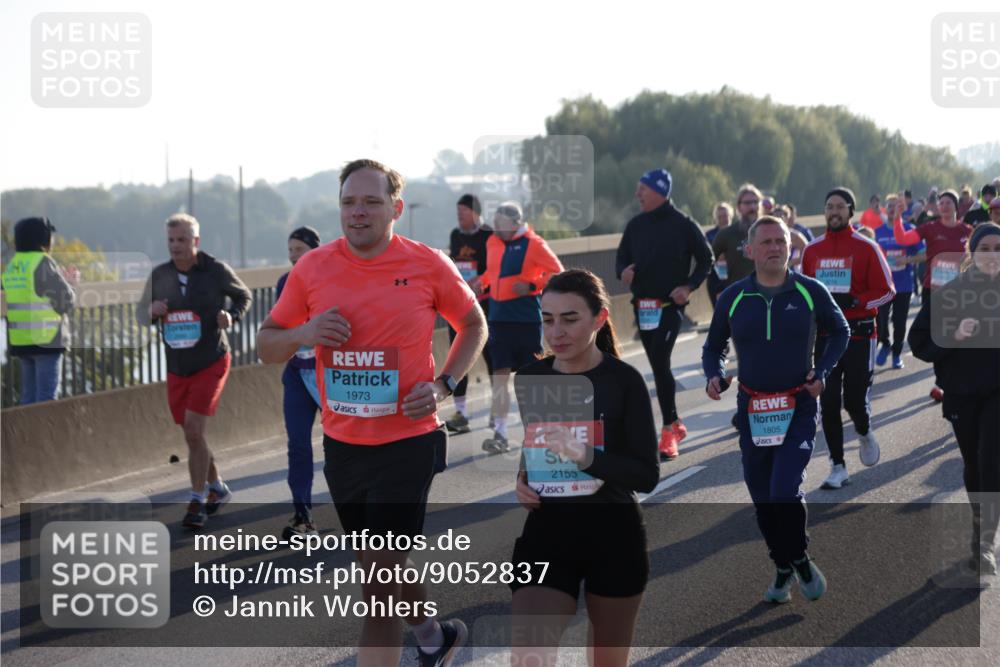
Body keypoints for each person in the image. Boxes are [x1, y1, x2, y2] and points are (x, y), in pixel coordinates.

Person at [257, 159, 487, 666]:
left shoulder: (427, 264)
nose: (357, 213)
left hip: (409, 441)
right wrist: (303, 333)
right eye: (348, 202)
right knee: (379, 564)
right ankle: (433, 636)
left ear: (396, 209)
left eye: (371, 202)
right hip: (343, 448)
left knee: (377, 587)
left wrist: (444, 383)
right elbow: (266, 345)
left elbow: (473, 323)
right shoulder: (313, 267)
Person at [511, 269, 658, 667]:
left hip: (614, 536)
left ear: (600, 319)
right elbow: (536, 451)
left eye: (569, 319)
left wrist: (585, 455)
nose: (555, 331)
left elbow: (646, 475)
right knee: (529, 657)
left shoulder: (624, 381)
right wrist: (522, 481)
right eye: (547, 319)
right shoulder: (529, 378)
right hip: (547, 534)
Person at [703, 216, 849, 603]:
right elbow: (713, 345)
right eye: (765, 242)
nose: (774, 248)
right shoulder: (733, 297)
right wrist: (713, 375)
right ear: (749, 251)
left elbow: (840, 331)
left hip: (798, 404)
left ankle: (798, 558)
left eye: (780, 242)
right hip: (752, 406)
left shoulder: (810, 291)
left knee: (785, 488)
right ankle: (783, 566)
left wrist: (823, 371)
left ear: (791, 247)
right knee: (762, 495)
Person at [137, 214, 251, 529]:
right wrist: (151, 311)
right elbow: (140, 313)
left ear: (195, 241)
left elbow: (244, 295)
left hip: (212, 360)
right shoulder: (160, 274)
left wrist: (231, 315)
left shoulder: (214, 270)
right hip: (177, 366)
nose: (176, 246)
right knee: (193, 435)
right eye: (171, 240)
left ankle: (197, 502)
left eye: (182, 240)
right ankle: (218, 487)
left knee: (194, 431)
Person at [908, 223, 1000, 576]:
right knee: (974, 467)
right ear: (972, 253)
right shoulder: (949, 294)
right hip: (962, 394)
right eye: (986, 248)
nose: (992, 255)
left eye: (998, 248)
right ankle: (981, 532)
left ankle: (985, 545)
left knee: (990, 462)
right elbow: (919, 342)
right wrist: (954, 336)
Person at [615, 168, 713, 459]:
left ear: (659, 191)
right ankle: (676, 423)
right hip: (642, 308)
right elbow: (621, 258)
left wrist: (689, 286)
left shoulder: (682, 224)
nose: (637, 195)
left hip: (670, 307)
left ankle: (669, 429)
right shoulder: (636, 225)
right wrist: (624, 271)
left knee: (659, 362)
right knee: (657, 365)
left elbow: (706, 258)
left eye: (642, 189)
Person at [801, 187, 895, 490]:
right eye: (829, 207)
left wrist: (858, 302)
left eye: (840, 207)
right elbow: (804, 294)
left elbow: (887, 291)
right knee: (827, 402)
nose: (834, 212)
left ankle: (864, 430)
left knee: (854, 400)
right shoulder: (811, 251)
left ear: (850, 212)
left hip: (859, 334)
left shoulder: (866, 247)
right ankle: (837, 466)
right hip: (827, 337)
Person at [479, 202, 564, 455]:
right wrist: (479, 284)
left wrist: (531, 286)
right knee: (499, 377)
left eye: (500, 223)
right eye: (494, 222)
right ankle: (501, 433)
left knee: (531, 380)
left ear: (515, 223)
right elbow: (492, 273)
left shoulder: (534, 243)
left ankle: (539, 432)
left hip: (526, 320)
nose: (495, 227)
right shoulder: (492, 242)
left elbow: (557, 273)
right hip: (498, 320)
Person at [893, 189, 973, 402]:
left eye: (948, 202)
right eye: (941, 202)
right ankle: (942, 381)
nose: (944, 206)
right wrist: (898, 217)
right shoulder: (930, 228)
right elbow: (902, 238)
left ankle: (953, 379)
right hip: (934, 291)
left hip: (960, 293)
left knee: (960, 335)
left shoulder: (968, 230)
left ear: (956, 207)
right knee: (940, 336)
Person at [276, 226, 323, 538]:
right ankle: (302, 516)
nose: (293, 256)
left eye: (299, 249)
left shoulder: (331, 280)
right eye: (290, 250)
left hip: (329, 372)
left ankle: (360, 512)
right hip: (296, 373)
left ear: (314, 251)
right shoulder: (284, 283)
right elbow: (277, 326)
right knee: (298, 445)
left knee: (342, 445)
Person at [2, 217, 76, 405]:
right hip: (46, 339)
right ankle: (43, 435)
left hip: (21, 340)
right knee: (46, 398)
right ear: (43, 239)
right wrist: (71, 284)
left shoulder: (13, 265)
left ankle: (27, 435)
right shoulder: (42, 262)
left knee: (28, 396)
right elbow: (65, 301)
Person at [443, 193, 494, 435]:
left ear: (474, 212)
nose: (459, 217)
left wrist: (480, 280)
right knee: (458, 356)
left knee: (493, 357)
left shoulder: (488, 235)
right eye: (457, 213)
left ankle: (498, 408)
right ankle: (461, 413)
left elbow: (496, 267)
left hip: (486, 305)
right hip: (460, 305)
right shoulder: (455, 235)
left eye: (462, 212)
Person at [874, 196, 924, 369]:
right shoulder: (877, 232)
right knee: (880, 321)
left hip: (903, 285)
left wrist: (907, 259)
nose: (891, 210)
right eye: (889, 206)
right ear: (884, 209)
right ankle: (885, 344)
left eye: (895, 207)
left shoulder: (909, 230)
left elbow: (924, 254)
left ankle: (896, 353)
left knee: (900, 322)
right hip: (883, 285)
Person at [713, 184, 763, 293]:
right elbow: (709, 263)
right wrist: (719, 290)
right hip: (738, 296)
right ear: (739, 207)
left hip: (767, 295)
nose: (753, 207)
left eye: (756, 202)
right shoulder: (727, 234)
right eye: (748, 203)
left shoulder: (770, 232)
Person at [706, 202, 733, 307]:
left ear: (730, 215)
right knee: (719, 310)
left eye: (725, 216)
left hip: (734, 276)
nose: (723, 219)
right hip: (716, 278)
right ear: (716, 218)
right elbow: (706, 255)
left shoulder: (738, 232)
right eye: (720, 217)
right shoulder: (710, 235)